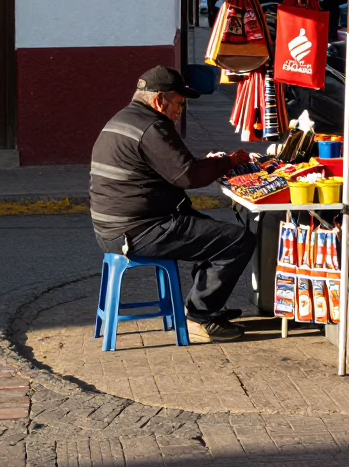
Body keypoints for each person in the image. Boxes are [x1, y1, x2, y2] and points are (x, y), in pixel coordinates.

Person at [89, 66, 254, 342]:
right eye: (178, 104)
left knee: (209, 232)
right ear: (159, 101)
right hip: (137, 231)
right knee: (237, 240)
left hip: (113, 228)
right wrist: (227, 162)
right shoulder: (152, 126)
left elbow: (175, 168)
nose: (179, 111)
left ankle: (203, 307)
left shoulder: (124, 118)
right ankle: (200, 316)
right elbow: (188, 176)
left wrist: (208, 164)